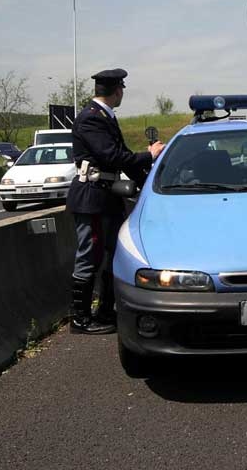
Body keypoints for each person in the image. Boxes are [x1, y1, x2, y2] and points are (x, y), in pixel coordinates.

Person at [66, 68, 165, 334]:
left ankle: (104, 312)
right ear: (117, 90)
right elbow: (113, 157)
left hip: (106, 196)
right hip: (91, 198)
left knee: (112, 256)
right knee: (90, 256)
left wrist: (150, 184)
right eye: (122, 89)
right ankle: (80, 319)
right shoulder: (91, 118)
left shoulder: (105, 117)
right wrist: (150, 155)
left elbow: (120, 157)